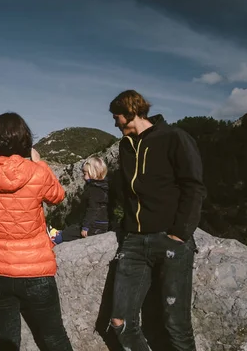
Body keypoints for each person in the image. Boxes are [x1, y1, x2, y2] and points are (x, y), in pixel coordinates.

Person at [108, 90, 206, 351]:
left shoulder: (174, 137)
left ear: (129, 114)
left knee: (176, 324)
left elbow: (193, 186)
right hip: (133, 242)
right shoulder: (125, 146)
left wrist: (180, 233)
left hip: (170, 240)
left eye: (116, 116)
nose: (114, 123)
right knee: (119, 322)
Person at [0, 112, 73, 351]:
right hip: (35, 271)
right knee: (55, 339)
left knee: (8, 343)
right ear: (25, 142)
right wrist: (39, 163)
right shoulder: (37, 172)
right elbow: (58, 196)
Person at [49, 156, 109, 244]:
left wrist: (85, 227)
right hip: (101, 224)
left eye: (85, 173)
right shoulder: (104, 186)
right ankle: (61, 233)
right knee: (74, 227)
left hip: (94, 226)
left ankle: (58, 237)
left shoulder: (94, 190)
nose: (83, 177)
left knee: (74, 230)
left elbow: (92, 209)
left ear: (93, 173)